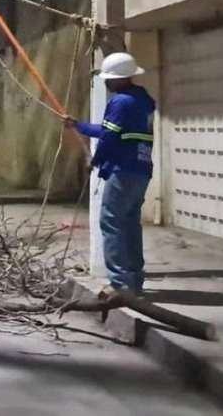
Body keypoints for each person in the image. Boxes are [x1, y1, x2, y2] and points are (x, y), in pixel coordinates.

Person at [63, 52, 156, 300]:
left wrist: (95, 159)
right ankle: (134, 283)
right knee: (129, 225)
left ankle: (120, 285)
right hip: (141, 170)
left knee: (111, 223)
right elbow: (110, 130)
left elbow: (109, 138)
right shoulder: (143, 100)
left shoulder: (120, 102)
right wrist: (79, 125)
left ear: (119, 79)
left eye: (109, 78)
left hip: (122, 171)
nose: (106, 82)